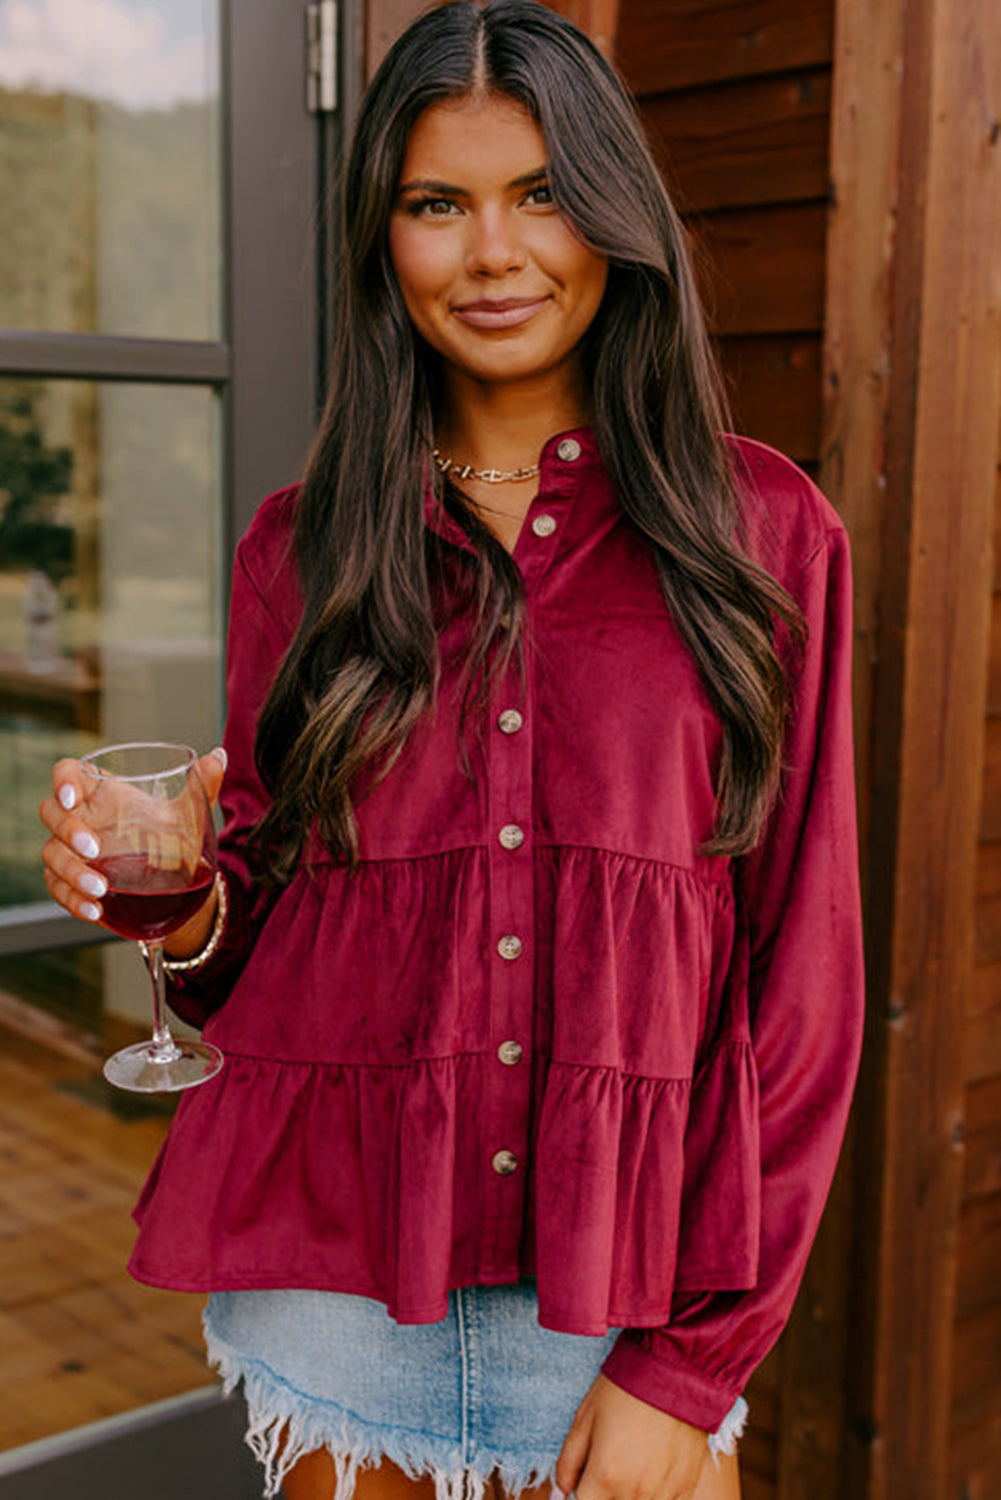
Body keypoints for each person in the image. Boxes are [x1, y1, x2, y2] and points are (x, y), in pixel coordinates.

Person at [38, 3, 865, 1498]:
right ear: (384, 239)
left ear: (616, 216)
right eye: (436, 204)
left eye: (540, 192)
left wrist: (693, 1362)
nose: (492, 254)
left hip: (629, 1294)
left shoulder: (763, 536)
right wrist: (182, 898)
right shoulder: (301, 550)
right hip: (341, 1292)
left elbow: (802, 970)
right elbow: (263, 927)